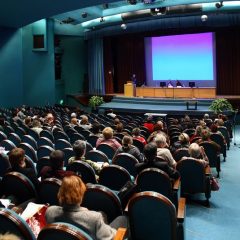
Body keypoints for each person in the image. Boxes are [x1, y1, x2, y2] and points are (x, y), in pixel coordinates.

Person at [45, 175, 128, 240]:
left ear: (60, 192)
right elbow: (110, 238)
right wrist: (115, 232)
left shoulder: (50, 211)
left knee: (102, 214)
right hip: (103, 232)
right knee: (123, 219)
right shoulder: (94, 218)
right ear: (81, 194)